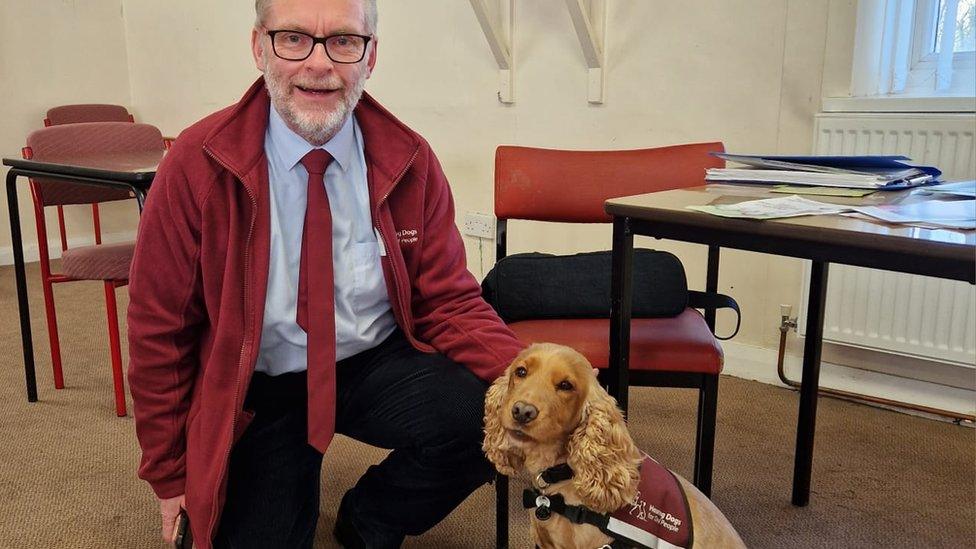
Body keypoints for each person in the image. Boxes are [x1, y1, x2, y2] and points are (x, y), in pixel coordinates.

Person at [126, 0, 523, 547]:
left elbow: (450, 301)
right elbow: (159, 329)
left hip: (371, 363)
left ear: (371, 56)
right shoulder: (197, 165)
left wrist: (529, 377)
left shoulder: (409, 160)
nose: (319, 64)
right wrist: (169, 474)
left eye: (343, 40)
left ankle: (373, 514)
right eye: (293, 38)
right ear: (259, 45)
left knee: (498, 421)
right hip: (259, 383)